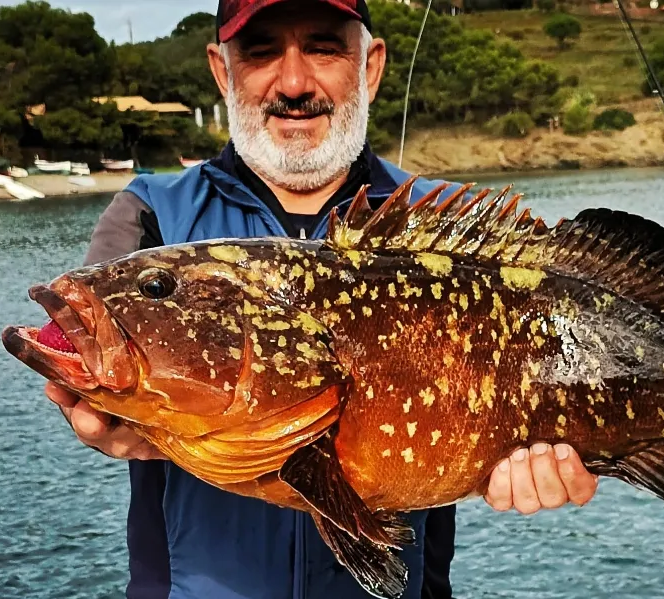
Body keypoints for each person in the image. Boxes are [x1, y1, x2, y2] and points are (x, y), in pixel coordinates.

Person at [44, 1, 600, 597]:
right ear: (221, 70)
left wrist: (570, 457)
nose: (293, 83)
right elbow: (77, 348)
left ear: (371, 66)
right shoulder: (150, 214)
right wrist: (90, 413)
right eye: (261, 51)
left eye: (324, 47)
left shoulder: (441, 219)